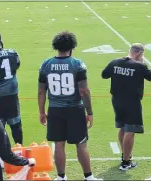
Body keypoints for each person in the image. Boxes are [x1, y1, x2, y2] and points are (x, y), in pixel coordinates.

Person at [38, 31, 102, 181]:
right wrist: (90, 111)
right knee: (81, 143)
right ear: (72, 47)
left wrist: (42, 112)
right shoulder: (77, 64)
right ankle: (89, 176)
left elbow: (41, 91)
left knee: (59, 144)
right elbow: (84, 90)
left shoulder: (46, 64)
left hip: (54, 109)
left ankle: (61, 177)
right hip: (74, 108)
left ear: (56, 47)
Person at [101, 43, 151, 171]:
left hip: (116, 100)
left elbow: (104, 75)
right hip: (132, 102)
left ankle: (126, 156)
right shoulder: (139, 66)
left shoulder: (115, 62)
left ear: (130, 50)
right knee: (130, 130)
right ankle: (125, 163)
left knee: (123, 128)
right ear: (140, 53)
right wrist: (142, 63)